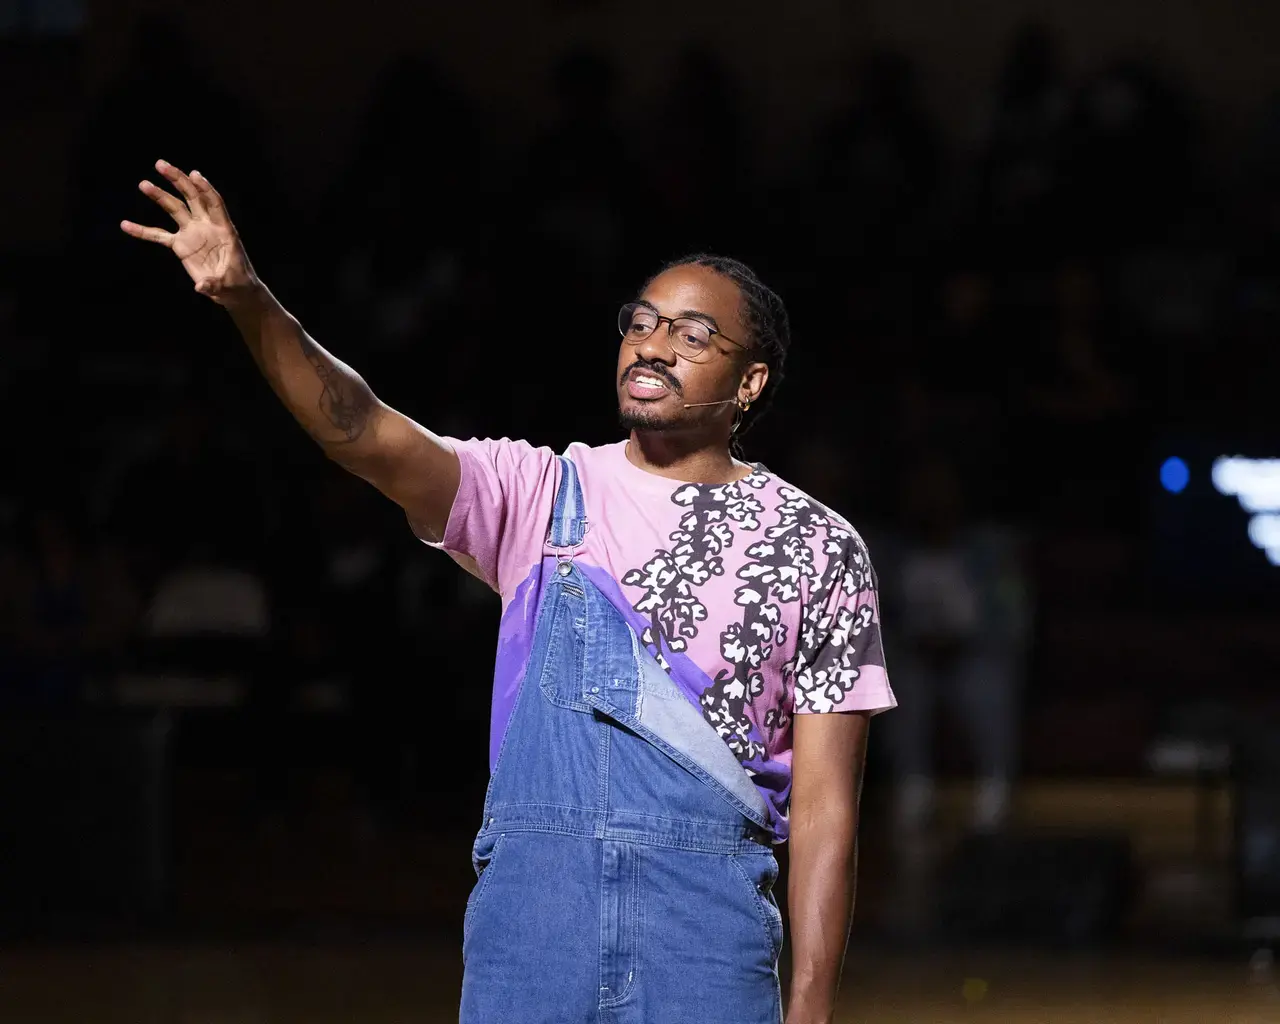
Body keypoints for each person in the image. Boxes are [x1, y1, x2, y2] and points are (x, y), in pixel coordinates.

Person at [122, 160, 896, 1024]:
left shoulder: (817, 545)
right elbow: (365, 431)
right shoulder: (538, 496)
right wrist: (248, 299)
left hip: (706, 932)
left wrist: (813, 1006)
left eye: (690, 335)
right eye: (640, 324)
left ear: (750, 382)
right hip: (535, 928)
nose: (651, 344)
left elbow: (828, 810)